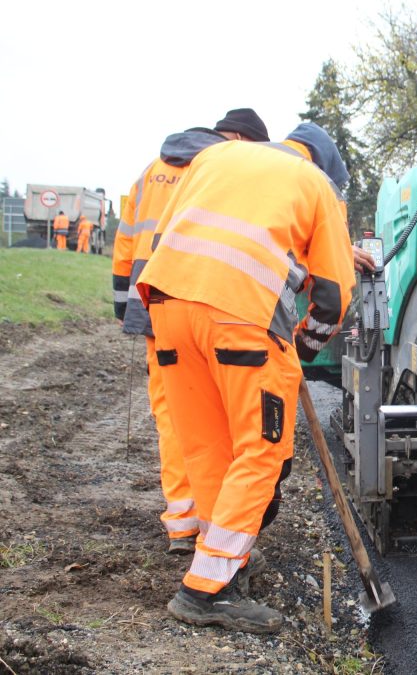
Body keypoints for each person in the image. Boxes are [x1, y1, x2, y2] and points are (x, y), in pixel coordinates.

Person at [137, 122, 356, 633]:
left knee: (209, 446)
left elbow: (201, 237)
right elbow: (334, 297)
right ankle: (203, 593)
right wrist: (301, 347)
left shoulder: (216, 160)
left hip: (167, 310)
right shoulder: (316, 185)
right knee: (262, 450)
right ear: (324, 165)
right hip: (238, 323)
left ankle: (220, 562)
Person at [113, 109, 271, 556]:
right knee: (212, 418)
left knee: (172, 415)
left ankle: (182, 522)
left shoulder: (153, 170)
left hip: (151, 301)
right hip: (206, 299)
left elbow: (126, 240)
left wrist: (122, 304)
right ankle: (217, 525)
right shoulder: (222, 168)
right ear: (238, 138)